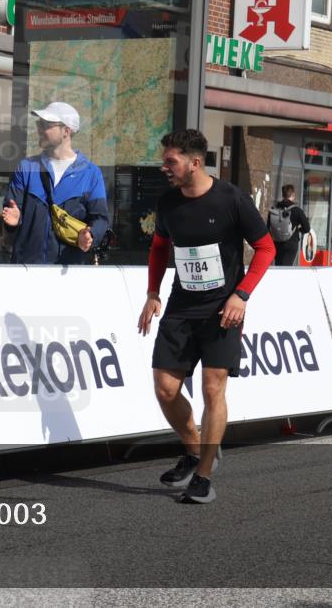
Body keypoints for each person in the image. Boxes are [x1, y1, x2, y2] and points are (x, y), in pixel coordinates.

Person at [137, 129, 275, 504]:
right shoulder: (167, 203)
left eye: (171, 161)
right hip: (182, 306)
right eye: (165, 160)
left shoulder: (232, 199)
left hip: (223, 310)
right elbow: (159, 248)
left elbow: (265, 248)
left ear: (194, 163)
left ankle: (204, 475)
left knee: (212, 389)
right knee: (165, 388)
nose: (164, 167)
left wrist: (241, 295)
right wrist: (153, 292)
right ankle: (195, 448)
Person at [1, 102, 110, 264]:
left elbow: (101, 219)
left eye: (45, 125)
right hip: (25, 269)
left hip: (68, 273)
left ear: (66, 131)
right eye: (39, 123)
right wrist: (15, 220)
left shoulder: (91, 174)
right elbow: (12, 214)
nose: (39, 129)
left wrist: (90, 235)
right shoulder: (26, 168)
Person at [267, 184, 310, 266]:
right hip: (291, 244)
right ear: (293, 195)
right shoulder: (297, 210)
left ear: (283, 195)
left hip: (277, 243)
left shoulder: (274, 209)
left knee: (278, 267)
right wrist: (298, 228)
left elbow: (269, 226)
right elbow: (307, 228)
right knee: (286, 269)